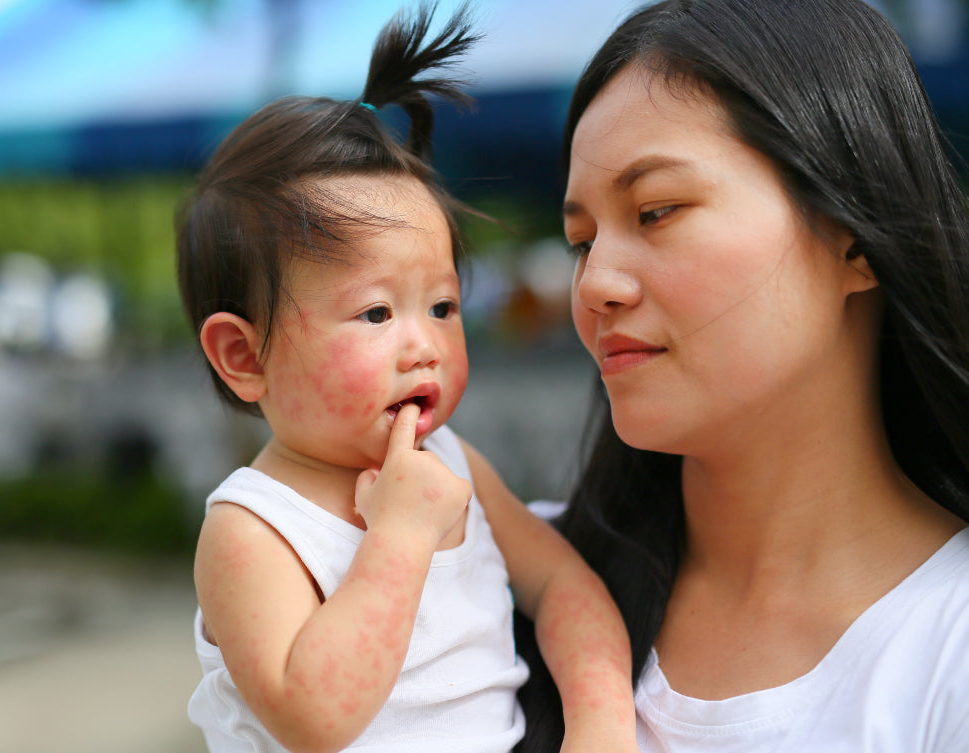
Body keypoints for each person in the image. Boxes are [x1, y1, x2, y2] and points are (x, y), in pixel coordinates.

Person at [175, 5, 638, 753]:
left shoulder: (452, 461)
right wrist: (398, 534)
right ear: (245, 356)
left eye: (444, 304)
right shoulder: (254, 531)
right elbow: (315, 716)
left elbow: (563, 587)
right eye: (376, 312)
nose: (423, 343)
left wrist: (600, 722)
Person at [513, 0, 969, 751]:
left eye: (656, 210)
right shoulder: (501, 582)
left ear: (853, 235)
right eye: (580, 242)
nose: (595, 283)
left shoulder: (945, 646)